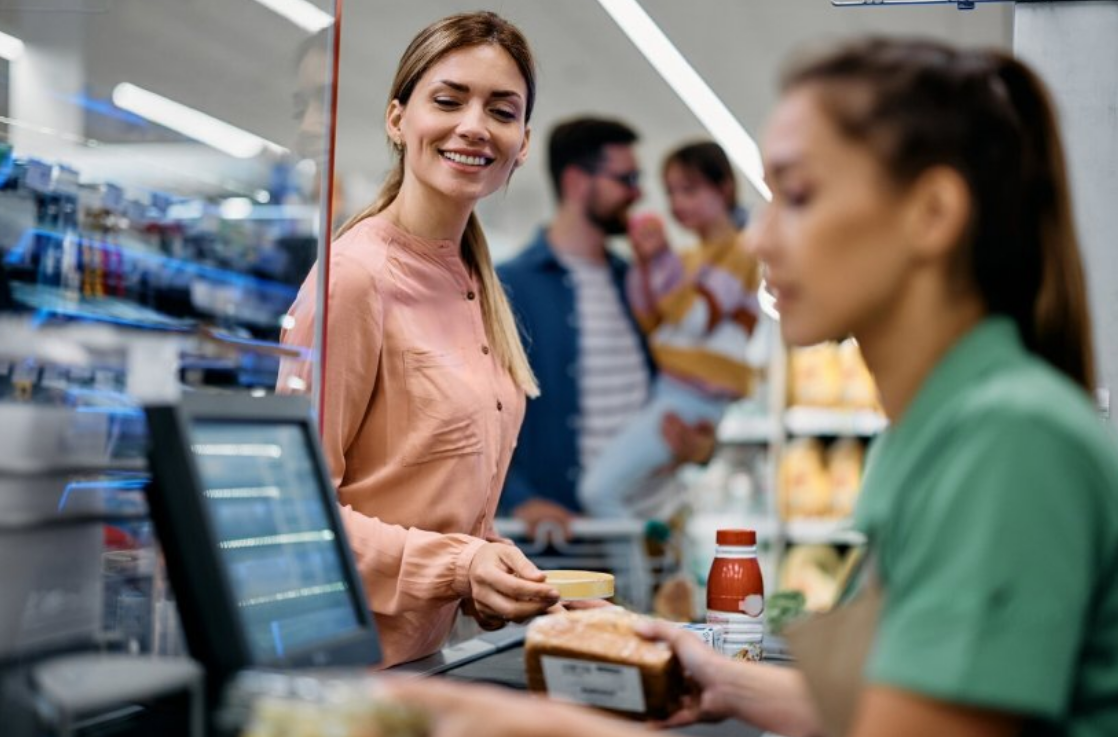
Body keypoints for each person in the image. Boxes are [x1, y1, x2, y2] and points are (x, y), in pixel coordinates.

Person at [389, 37, 1118, 737]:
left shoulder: (1006, 441)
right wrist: (724, 677)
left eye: (796, 197)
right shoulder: (951, 424)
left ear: (931, 214)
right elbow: (912, 704)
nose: (761, 240)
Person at [276, 11, 560, 668]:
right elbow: (295, 515)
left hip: (426, 668)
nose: (473, 126)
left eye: (501, 110)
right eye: (448, 99)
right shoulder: (354, 277)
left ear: (521, 141)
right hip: (341, 673)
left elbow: (432, 503)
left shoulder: (475, 284)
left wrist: (500, 580)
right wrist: (460, 566)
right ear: (397, 119)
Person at [497, 118, 716, 537]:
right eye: (626, 178)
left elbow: (683, 384)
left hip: (651, 536)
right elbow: (473, 419)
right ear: (578, 182)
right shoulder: (508, 287)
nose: (638, 194)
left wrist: (701, 446)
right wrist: (517, 499)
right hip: (566, 549)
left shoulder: (637, 281)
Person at [578, 141, 760, 519]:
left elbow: (695, 320)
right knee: (621, 493)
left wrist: (660, 262)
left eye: (689, 189)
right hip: (674, 392)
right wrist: (647, 266)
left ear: (724, 187)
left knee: (598, 491)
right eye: (671, 192)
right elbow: (652, 320)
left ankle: (634, 576)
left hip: (691, 397)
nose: (678, 203)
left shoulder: (740, 253)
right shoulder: (689, 258)